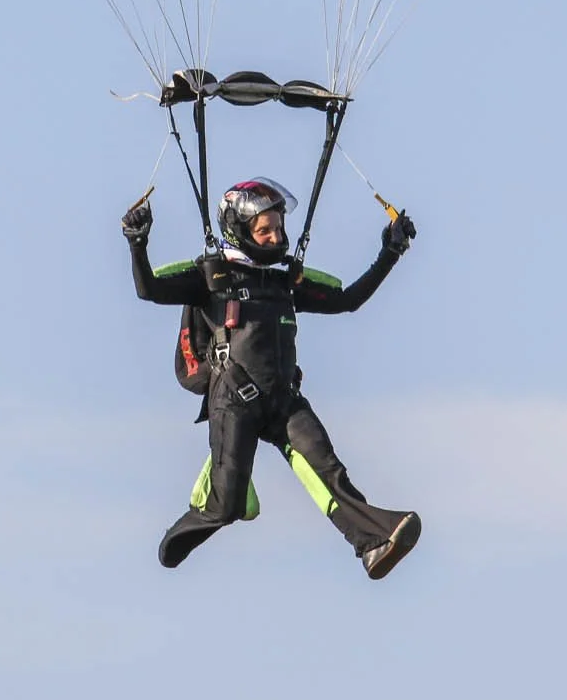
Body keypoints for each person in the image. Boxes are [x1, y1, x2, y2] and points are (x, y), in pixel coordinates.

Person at [123, 176, 421, 578]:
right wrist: (137, 242)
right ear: (240, 230)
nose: (275, 237)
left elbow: (348, 299)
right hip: (234, 401)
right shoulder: (211, 278)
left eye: (278, 228)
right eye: (265, 230)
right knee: (228, 505)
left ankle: (373, 542)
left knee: (328, 470)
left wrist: (391, 251)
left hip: (284, 400)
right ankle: (192, 522)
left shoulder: (284, 283)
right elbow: (150, 289)